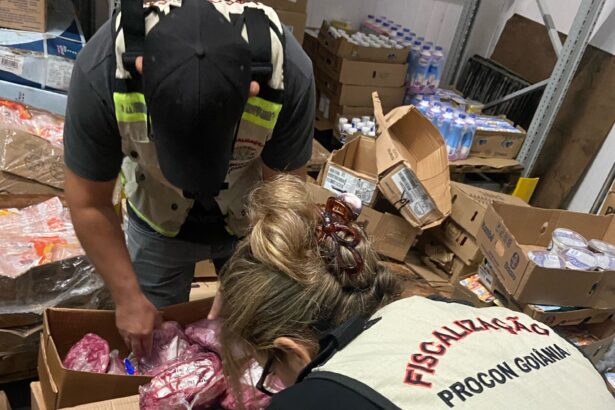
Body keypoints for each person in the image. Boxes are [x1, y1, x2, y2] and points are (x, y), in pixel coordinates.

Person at [218, 176, 615, 409]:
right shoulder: (488, 315)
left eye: (270, 374)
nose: (277, 384)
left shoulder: (321, 399)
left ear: (293, 352)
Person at [63, 0, 314, 358]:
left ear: (250, 90)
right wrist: (127, 296)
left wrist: (250, 271)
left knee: (252, 337)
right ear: (142, 73)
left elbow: (284, 203)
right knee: (151, 344)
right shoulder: (101, 70)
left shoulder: (288, 73)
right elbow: (89, 202)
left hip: (248, 215)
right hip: (155, 213)